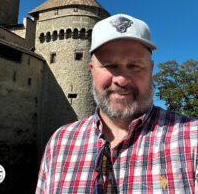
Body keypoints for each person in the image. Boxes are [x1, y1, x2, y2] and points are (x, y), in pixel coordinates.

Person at [36, 14, 198, 193]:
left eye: (134, 66)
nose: (121, 80)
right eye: (110, 65)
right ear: (91, 70)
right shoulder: (60, 143)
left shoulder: (192, 139)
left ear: (151, 70)